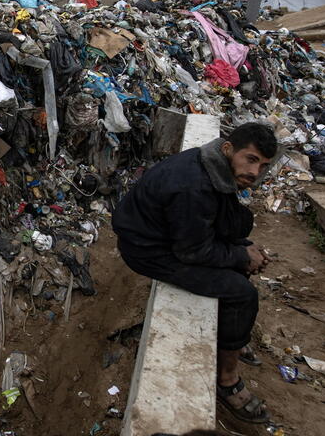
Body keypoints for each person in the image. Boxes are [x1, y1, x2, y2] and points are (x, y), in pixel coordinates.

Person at [112, 122, 277, 424]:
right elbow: (193, 253)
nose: (255, 172)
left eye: (263, 165)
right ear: (229, 149)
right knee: (242, 294)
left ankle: (231, 337)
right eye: (250, 159)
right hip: (151, 251)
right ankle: (226, 381)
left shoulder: (212, 162)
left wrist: (244, 250)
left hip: (173, 237)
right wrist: (241, 255)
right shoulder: (194, 186)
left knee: (241, 241)